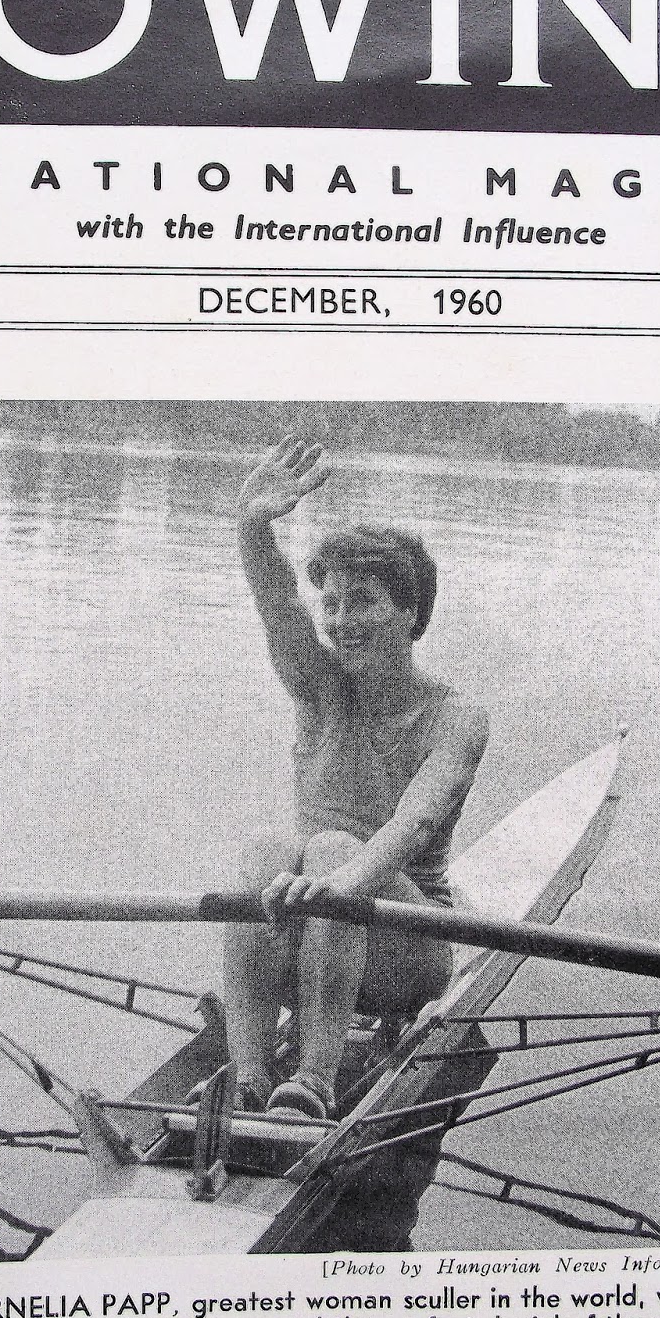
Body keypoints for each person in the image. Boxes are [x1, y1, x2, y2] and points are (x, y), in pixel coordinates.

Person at [220, 434, 489, 1122]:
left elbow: (414, 824)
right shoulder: (318, 688)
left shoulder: (456, 717)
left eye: (362, 601)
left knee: (334, 849)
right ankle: (247, 1077)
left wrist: (337, 888)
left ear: (411, 612)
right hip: (312, 928)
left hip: (407, 951)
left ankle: (313, 1084)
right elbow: (277, 602)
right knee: (264, 849)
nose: (340, 622)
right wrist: (253, 528)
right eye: (333, 604)